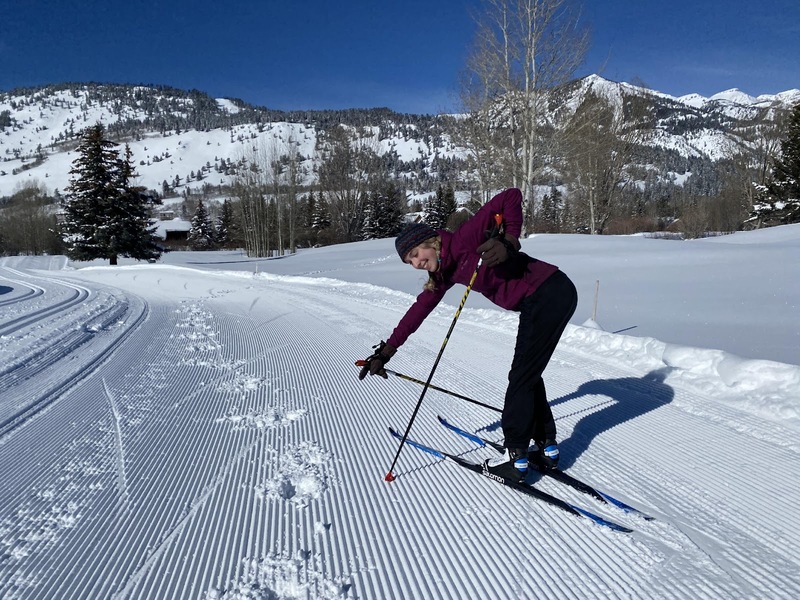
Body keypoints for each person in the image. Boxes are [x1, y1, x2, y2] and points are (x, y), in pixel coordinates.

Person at [358, 187, 578, 482]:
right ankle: (546, 447)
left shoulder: (465, 239)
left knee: (521, 377)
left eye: (415, 254)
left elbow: (510, 196)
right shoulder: (443, 274)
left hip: (549, 291)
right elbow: (416, 313)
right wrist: (386, 351)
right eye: (409, 262)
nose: (416, 263)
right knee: (529, 373)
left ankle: (515, 457)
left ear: (429, 242)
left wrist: (510, 241)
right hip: (541, 300)